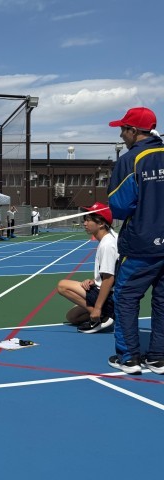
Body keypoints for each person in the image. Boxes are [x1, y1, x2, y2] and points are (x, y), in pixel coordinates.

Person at [106, 106, 164, 374]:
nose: (121, 134)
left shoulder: (130, 160)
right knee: (162, 301)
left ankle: (129, 357)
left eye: (123, 129)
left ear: (133, 130)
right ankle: (158, 357)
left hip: (142, 242)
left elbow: (120, 206)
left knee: (126, 298)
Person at [57, 203, 117, 334]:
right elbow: (114, 271)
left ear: (101, 223)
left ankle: (102, 316)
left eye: (88, 220)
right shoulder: (111, 237)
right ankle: (104, 313)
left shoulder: (107, 245)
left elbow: (109, 279)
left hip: (110, 297)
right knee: (73, 317)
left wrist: (97, 308)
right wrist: (94, 281)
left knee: (62, 285)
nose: (85, 223)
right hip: (108, 292)